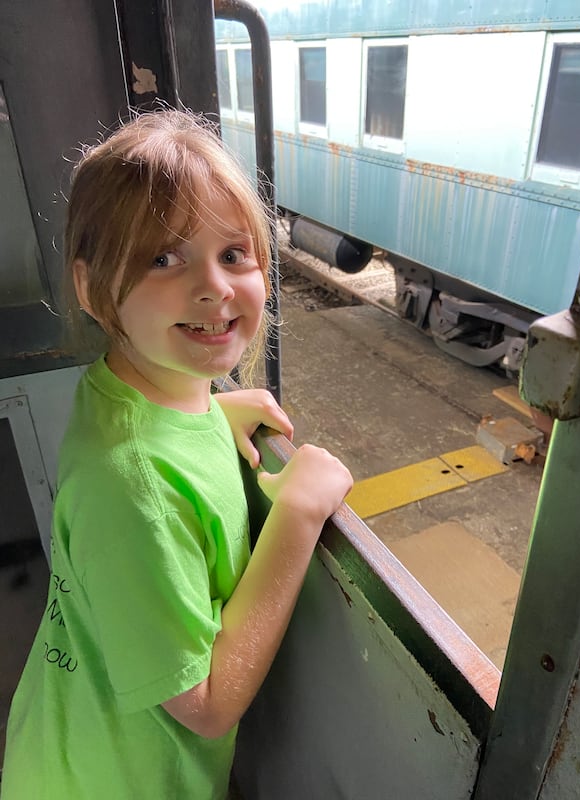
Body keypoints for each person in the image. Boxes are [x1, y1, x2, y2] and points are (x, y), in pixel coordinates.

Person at [0, 109, 352, 799]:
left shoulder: (133, 392)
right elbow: (208, 703)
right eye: (164, 257)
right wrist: (300, 512)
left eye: (233, 254)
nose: (215, 287)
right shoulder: (130, 488)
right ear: (91, 287)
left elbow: (143, 440)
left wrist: (211, 413)